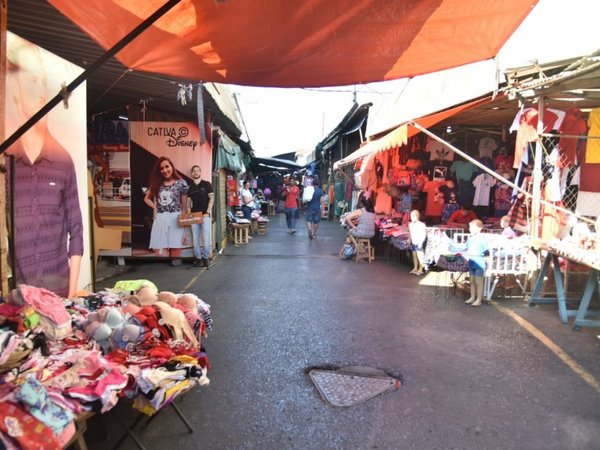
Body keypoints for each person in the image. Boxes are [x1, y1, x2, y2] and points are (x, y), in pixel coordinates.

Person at [5, 36, 83, 297]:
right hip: (17, 295)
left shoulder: (62, 160)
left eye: (41, 82)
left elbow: (77, 230)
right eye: (30, 81)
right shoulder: (7, 162)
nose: (38, 91)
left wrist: (71, 294)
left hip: (57, 291)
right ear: (14, 89)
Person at [144, 157, 188, 259]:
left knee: (175, 254)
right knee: (160, 254)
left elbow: (184, 208)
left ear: (172, 166)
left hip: (176, 219)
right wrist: (155, 208)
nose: (164, 170)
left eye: (167, 166)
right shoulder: (157, 183)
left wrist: (185, 231)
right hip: (161, 219)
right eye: (161, 168)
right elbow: (146, 199)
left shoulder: (181, 183)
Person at [188, 165, 214, 267]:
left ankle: (205, 258)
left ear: (200, 172)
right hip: (194, 216)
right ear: (192, 173)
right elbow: (188, 202)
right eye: (194, 171)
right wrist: (189, 214)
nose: (196, 173)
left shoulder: (207, 184)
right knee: (195, 239)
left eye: (197, 171)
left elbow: (211, 199)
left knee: (206, 238)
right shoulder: (190, 188)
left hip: (205, 215)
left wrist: (207, 212)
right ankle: (198, 258)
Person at [464, 219, 490, 307]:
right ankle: (472, 297)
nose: (471, 229)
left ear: (479, 228)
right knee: (472, 281)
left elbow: (487, 252)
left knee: (478, 282)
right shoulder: (470, 239)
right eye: (470, 227)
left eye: (472, 228)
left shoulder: (482, 239)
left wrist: (488, 264)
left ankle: (478, 299)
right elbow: (465, 247)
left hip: (479, 263)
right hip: (471, 262)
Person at [408, 210, 427, 275]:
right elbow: (410, 233)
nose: (412, 218)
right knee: (414, 255)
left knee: (420, 255)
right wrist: (409, 239)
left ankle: (420, 269)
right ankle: (415, 267)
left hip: (419, 242)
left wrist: (421, 242)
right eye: (411, 216)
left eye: (413, 216)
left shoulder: (422, 224)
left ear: (417, 216)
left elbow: (424, 234)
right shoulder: (410, 224)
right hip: (414, 242)